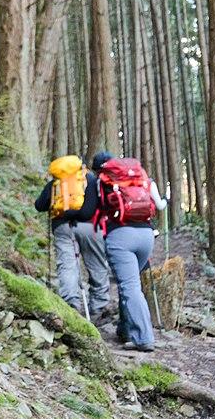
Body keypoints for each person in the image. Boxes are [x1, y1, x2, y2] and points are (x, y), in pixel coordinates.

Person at [89, 151, 167, 353]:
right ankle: (126, 330)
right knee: (131, 284)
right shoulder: (142, 179)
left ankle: (144, 338)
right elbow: (159, 205)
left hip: (120, 237)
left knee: (130, 286)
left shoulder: (101, 182)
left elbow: (91, 210)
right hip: (146, 235)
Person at [34, 154, 111, 322]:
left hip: (62, 227)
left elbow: (39, 205)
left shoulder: (56, 183)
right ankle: (99, 307)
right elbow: (95, 205)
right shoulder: (89, 179)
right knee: (96, 264)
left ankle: (72, 305)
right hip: (90, 227)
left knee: (67, 266)